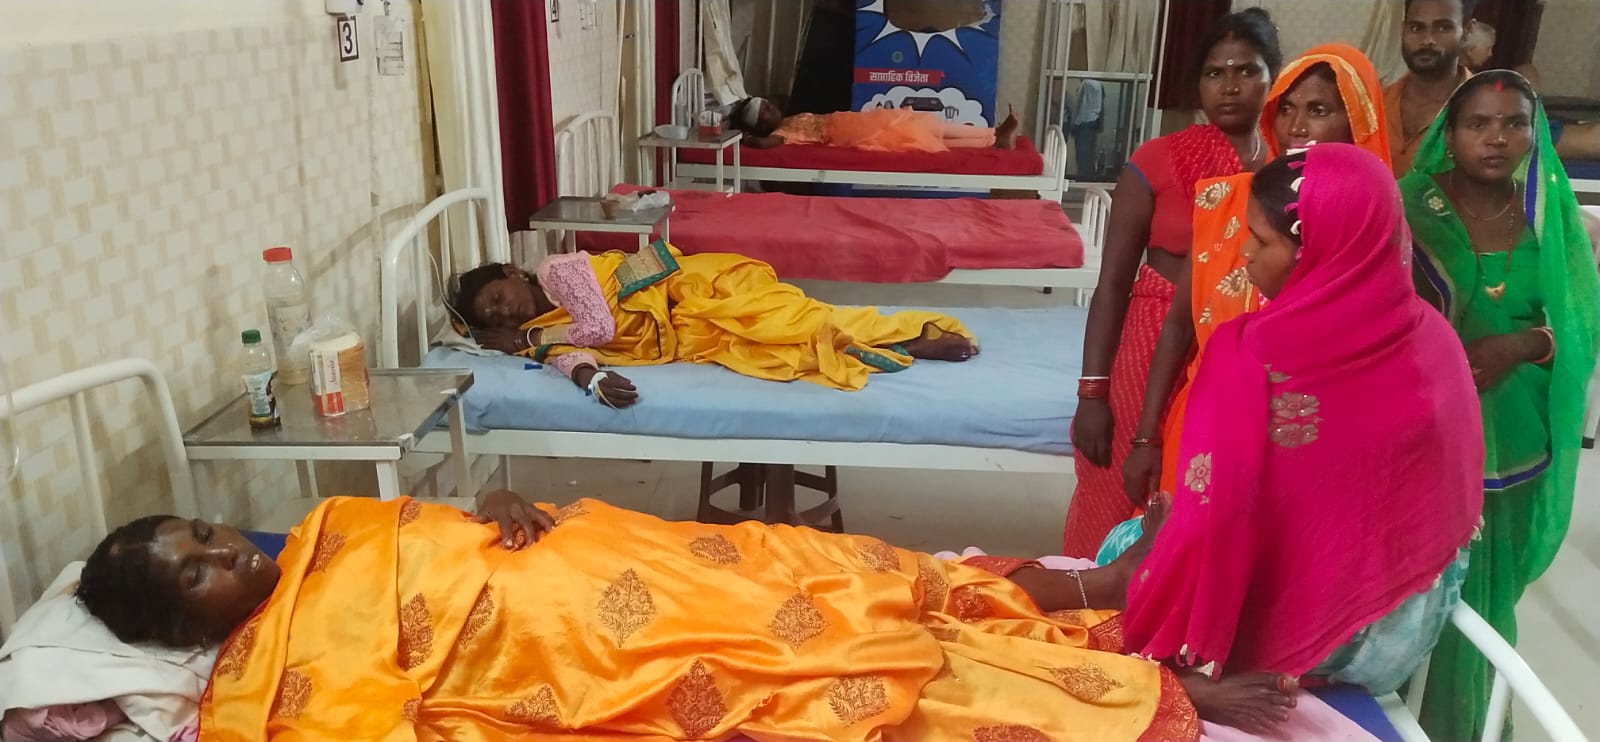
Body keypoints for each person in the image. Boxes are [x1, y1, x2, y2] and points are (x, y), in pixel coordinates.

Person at [1010, 144, 1485, 734]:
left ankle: (1180, 680)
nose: (1244, 254)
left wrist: (1148, 576)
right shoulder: (1434, 340)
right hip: (1399, 634)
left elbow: (1212, 522)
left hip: (1296, 648)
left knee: (1129, 546)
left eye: (1260, 241)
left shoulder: (1251, 353)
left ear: (1317, 251)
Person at [77, 493, 1204, 741]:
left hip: (606, 551)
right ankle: (1133, 689)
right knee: (798, 662)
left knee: (811, 561)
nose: (227, 552)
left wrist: (499, 501)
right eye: (196, 575)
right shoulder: (257, 693)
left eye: (205, 532)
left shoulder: (327, 522)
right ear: (178, 634)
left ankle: (1084, 592)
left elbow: (440, 519)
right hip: (573, 645)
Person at [1400, 70, 1600, 742]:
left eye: (1514, 123)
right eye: (1479, 123)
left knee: (1488, 601)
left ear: (1533, 133)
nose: (1496, 137)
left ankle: (1465, 724)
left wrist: (1520, 344)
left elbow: (1580, 325)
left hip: (1516, 438)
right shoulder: (1409, 207)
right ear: (1449, 133)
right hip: (1423, 438)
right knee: (1414, 595)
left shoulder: (1551, 216)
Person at [1120, 45, 1393, 513]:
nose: (1297, 126)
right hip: (1207, 430)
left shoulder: (1372, 227)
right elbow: (1179, 327)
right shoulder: (1226, 204)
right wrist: (1146, 437)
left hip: (1316, 447)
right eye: (1286, 109)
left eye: (1319, 111)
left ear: (1356, 123)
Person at [1062, 8, 1282, 557]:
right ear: (1196, 86)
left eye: (1246, 70)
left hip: (1243, 349)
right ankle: (1090, 597)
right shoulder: (1157, 161)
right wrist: (1092, 393)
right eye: (1214, 73)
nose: (1230, 85)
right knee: (1121, 488)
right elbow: (1112, 284)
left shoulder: (1285, 168)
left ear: (1272, 77)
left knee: (1204, 493)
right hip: (1149, 339)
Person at [448, 243, 979, 404]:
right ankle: (887, 345)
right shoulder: (542, 332)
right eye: (490, 316)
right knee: (771, 351)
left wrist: (529, 337)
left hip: (697, 289)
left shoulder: (555, 271)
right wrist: (593, 378)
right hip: (688, 333)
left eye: (497, 297)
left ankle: (911, 332)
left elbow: (598, 328)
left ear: (512, 273)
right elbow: (572, 352)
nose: (503, 312)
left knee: (787, 318)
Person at [1384, 0, 1476, 176]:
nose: (1427, 41)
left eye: (1443, 28)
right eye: (1416, 28)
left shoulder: (1484, 114)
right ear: (1403, 30)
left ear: (1467, 31)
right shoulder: (1373, 105)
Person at [727, 96, 1020, 152]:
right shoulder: (781, 132)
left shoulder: (789, 119)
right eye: (764, 111)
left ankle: (994, 136)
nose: (771, 108)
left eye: (767, 103)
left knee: (929, 127)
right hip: (856, 131)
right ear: (761, 125)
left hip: (856, 122)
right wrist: (743, 137)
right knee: (929, 131)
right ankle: (994, 137)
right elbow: (763, 144)